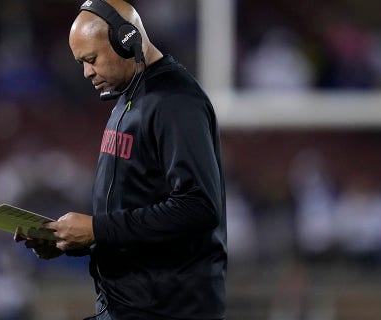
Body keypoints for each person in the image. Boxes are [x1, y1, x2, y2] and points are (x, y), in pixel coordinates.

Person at [14, 1, 227, 319]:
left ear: (126, 40)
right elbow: (136, 211)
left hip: (167, 310)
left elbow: (199, 207)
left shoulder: (175, 102)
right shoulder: (130, 96)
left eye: (91, 59)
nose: (87, 72)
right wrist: (72, 241)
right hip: (126, 306)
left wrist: (97, 229)